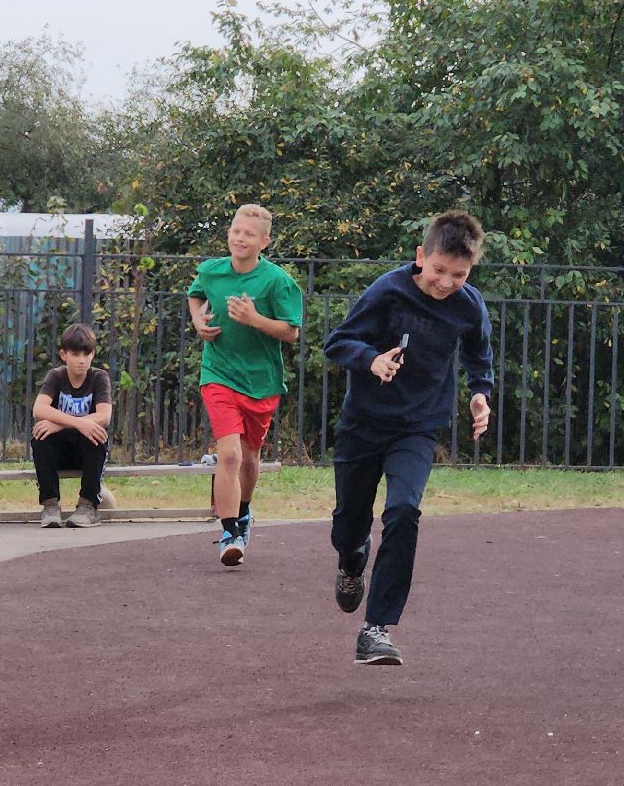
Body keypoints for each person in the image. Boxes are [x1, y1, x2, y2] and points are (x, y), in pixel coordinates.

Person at [322, 210, 494, 666]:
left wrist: (481, 394)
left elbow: (480, 353)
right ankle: (351, 559)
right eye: (439, 271)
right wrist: (370, 360)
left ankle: (375, 628)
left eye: (459, 275)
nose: (445, 283)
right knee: (349, 524)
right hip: (362, 424)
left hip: (417, 427)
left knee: (402, 511)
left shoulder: (469, 304)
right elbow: (337, 341)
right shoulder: (388, 290)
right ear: (421, 257)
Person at [185, 204, 303, 565]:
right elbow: (195, 294)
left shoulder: (278, 281)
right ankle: (229, 531)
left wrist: (254, 319)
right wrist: (197, 321)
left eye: (249, 234)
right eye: (236, 231)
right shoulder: (211, 271)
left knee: (250, 456)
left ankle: (245, 510)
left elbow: (291, 331)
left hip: (261, 381)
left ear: (264, 241)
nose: (240, 238)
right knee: (230, 454)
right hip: (218, 373)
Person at [31, 323, 112, 528]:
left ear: (93, 355)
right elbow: (39, 410)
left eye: (87, 354)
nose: (82, 360)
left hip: (86, 453)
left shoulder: (99, 377)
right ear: (63, 354)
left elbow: (104, 416)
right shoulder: (56, 376)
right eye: (76, 354)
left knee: (95, 433)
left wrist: (60, 423)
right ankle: (50, 506)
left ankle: (88, 506)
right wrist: (75, 423)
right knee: (41, 435)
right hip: (59, 453)